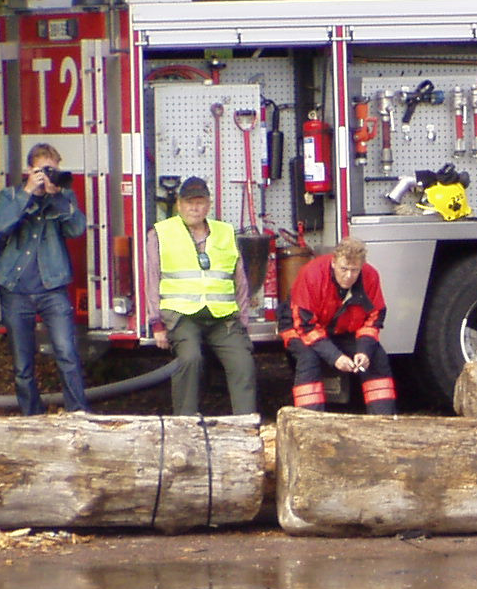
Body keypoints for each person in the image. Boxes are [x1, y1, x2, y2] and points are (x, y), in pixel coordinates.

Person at [144, 176, 256, 417]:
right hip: (182, 317)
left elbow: (240, 281)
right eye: (188, 202)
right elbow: (152, 279)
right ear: (179, 204)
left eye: (200, 202)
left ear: (208, 205)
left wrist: (242, 321)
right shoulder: (161, 233)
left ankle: (246, 426)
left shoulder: (225, 232)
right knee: (191, 359)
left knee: (243, 363)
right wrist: (157, 323)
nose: (194, 207)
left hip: (223, 319)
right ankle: (185, 425)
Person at [0, 143, 89, 417]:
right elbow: (2, 225)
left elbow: (77, 229)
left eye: (52, 170)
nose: (48, 175)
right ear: (29, 170)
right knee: (22, 364)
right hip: (15, 288)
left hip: (52, 287)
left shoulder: (63, 196)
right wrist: (27, 194)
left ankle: (78, 413)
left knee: (67, 354)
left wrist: (56, 195)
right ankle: (31, 417)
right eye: (42, 170)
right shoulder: (11, 195)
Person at [281, 238, 396, 414]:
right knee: (308, 358)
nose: (349, 276)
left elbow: (374, 319)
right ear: (333, 263)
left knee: (376, 357)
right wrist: (335, 357)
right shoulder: (312, 274)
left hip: (341, 328)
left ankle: (384, 421)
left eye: (354, 270)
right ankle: (308, 422)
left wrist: (364, 351)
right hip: (299, 327)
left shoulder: (370, 277)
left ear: (362, 267)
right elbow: (305, 326)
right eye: (344, 269)